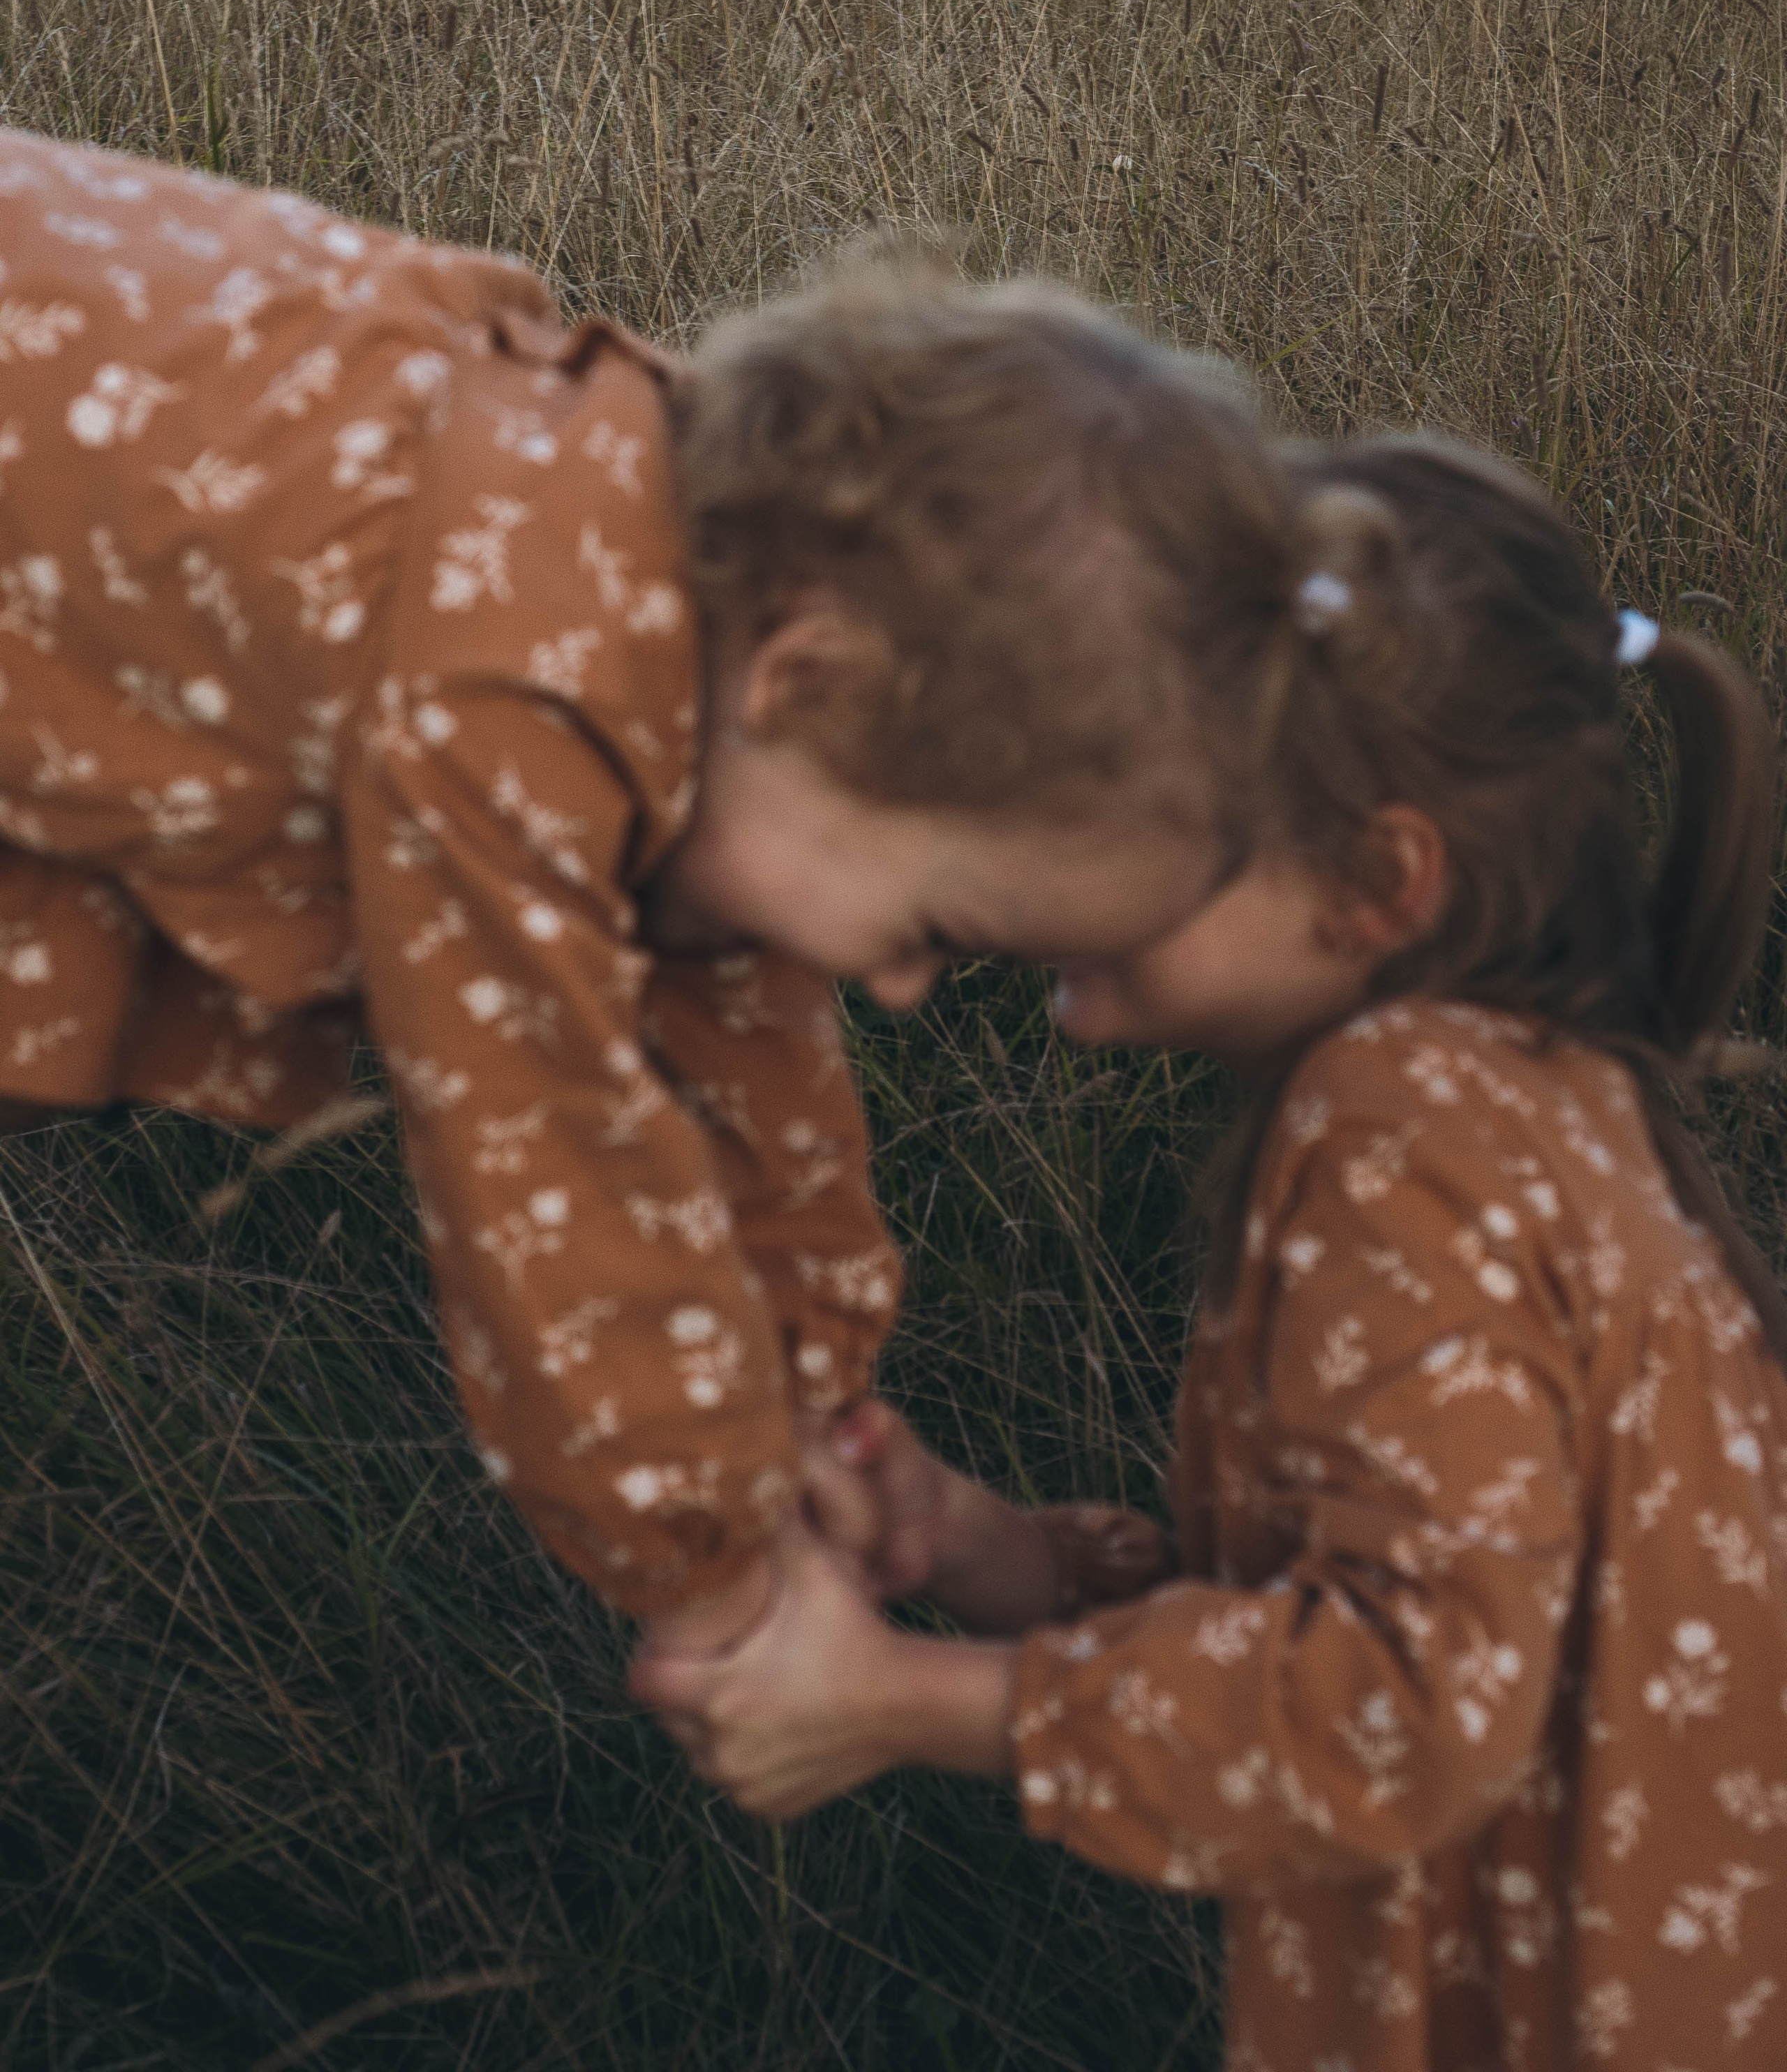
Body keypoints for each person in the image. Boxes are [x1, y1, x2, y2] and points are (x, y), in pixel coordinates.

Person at [0, 124, 1287, 1652]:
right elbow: (537, 1159)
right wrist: (716, 1580)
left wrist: (820, 1418)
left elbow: (751, 1060)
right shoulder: (519, 678)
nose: (894, 986)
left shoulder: (698, 616)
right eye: (937, 933)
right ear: (808, 681)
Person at [636, 433, 1787, 2064]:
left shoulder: (1391, 1130)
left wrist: (896, 1701)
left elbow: (1404, 1702)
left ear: (1375, 881)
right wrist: (995, 1558)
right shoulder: (1530, 1097)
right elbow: (1403, 1600)